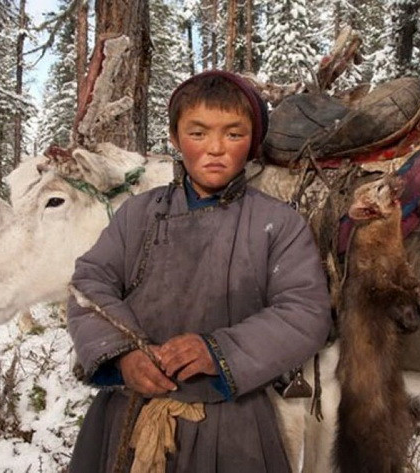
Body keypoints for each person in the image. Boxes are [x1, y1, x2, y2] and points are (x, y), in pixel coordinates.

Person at [67, 69, 332, 473]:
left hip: (234, 429)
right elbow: (90, 284)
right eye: (198, 133)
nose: (215, 149)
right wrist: (123, 358)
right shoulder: (139, 214)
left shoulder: (277, 223)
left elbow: (305, 312)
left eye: (233, 133)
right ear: (175, 138)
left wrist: (218, 350)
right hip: (129, 418)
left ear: (252, 142)